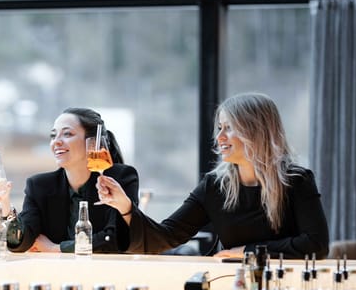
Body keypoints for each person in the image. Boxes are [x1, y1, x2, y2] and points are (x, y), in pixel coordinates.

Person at [96, 92, 330, 259]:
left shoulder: (296, 181)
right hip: (229, 289)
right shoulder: (215, 186)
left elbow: (316, 244)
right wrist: (125, 206)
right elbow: (165, 237)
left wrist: (247, 252)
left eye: (229, 128)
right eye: (220, 128)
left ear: (256, 131)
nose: (219, 138)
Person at [0, 107, 139, 253]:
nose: (56, 141)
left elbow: (117, 239)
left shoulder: (119, 179)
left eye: (67, 134)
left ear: (93, 142)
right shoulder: (39, 186)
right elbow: (19, 242)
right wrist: (5, 203)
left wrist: (56, 248)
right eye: (53, 136)